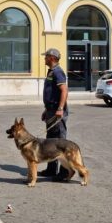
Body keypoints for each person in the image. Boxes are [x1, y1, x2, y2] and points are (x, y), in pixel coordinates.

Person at [39, 47, 70, 181]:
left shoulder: (58, 72)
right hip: (51, 110)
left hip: (57, 110)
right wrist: (47, 110)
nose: (44, 59)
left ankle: (63, 173)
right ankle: (51, 169)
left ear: (51, 58)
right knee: (50, 141)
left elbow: (64, 91)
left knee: (60, 142)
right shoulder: (51, 72)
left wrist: (60, 108)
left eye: (46, 56)